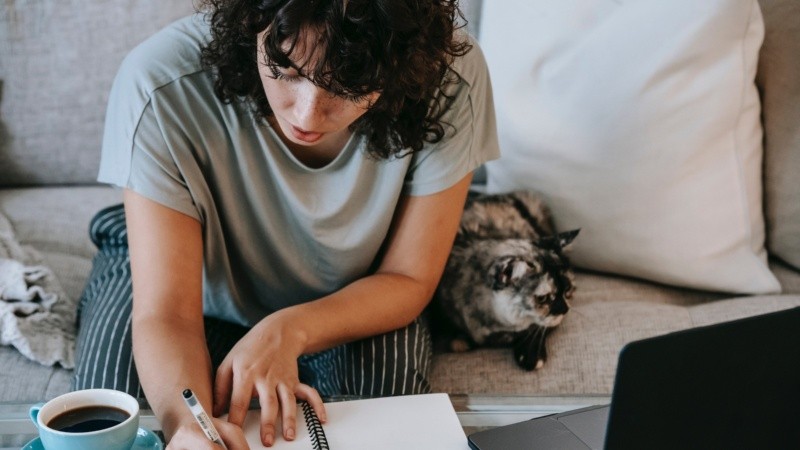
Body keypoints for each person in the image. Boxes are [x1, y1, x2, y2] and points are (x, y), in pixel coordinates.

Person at [73, 0, 499, 448]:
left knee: (382, 422)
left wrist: (288, 331)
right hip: (191, 281)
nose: (306, 115)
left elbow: (409, 277)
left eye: (349, 86)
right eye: (287, 71)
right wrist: (187, 428)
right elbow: (167, 312)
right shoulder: (158, 82)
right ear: (252, 24)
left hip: (356, 290)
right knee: (105, 422)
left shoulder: (449, 76)